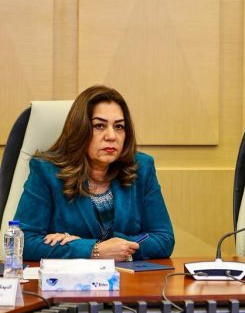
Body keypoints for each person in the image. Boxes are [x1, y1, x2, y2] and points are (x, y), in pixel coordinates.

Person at [16, 85, 175, 261]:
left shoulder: (141, 167)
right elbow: (23, 241)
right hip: (71, 278)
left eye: (119, 126)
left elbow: (163, 239)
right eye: (99, 126)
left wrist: (114, 247)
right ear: (80, 129)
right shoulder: (46, 171)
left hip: (126, 276)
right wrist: (93, 250)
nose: (111, 136)